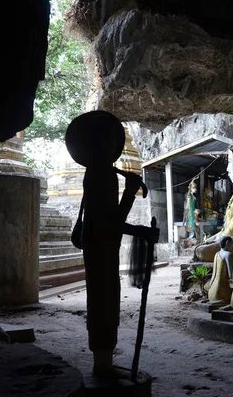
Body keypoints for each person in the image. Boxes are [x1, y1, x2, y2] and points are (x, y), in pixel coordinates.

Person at [65, 110, 159, 379]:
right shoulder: (100, 175)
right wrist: (140, 228)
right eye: (104, 141)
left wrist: (129, 192)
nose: (110, 147)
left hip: (103, 248)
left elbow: (110, 221)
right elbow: (108, 224)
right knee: (103, 303)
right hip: (100, 248)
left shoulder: (103, 173)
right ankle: (101, 364)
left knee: (106, 300)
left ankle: (104, 362)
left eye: (110, 141)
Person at [208, 236, 233, 303]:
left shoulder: (217, 254)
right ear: (227, 243)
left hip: (211, 292)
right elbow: (231, 275)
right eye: (232, 243)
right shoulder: (228, 255)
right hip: (221, 293)